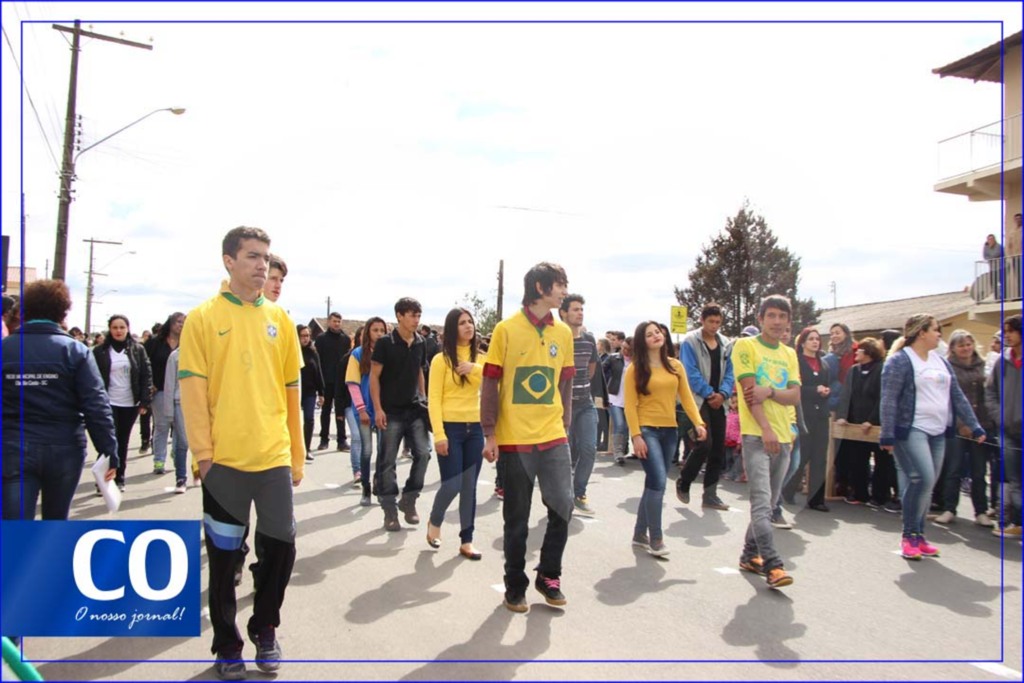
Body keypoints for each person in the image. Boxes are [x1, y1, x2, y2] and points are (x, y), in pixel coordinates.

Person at [179, 226, 304, 679]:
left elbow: (293, 390)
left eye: (266, 258)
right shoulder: (203, 318)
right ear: (229, 261)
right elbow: (192, 393)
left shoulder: (280, 319)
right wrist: (204, 456)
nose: (261, 265)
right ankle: (227, 645)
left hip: (273, 459)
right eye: (252, 256)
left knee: (282, 550)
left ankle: (264, 628)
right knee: (224, 559)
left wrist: (296, 454)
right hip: (225, 464)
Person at [481, 262, 575, 614]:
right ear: (540, 287)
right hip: (515, 439)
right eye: (560, 284)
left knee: (563, 505)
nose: (564, 291)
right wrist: (489, 432)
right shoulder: (506, 330)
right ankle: (514, 585)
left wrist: (565, 426)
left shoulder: (563, 333)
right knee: (517, 518)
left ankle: (549, 575)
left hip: (553, 436)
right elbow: (490, 382)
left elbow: (565, 384)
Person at [2, 280, 118, 520]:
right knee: (56, 522)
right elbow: (96, 405)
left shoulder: (5, 349)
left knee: (15, 526)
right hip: (65, 446)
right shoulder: (76, 351)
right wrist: (108, 450)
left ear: (24, 311)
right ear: (63, 312)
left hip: (13, 445)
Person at [879, 314, 985, 561]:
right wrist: (887, 434)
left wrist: (975, 426)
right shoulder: (900, 361)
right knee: (922, 478)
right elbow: (889, 399)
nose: (939, 335)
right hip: (911, 430)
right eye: (936, 330)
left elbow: (957, 396)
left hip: (938, 431)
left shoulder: (941, 362)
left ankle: (919, 536)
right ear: (921, 332)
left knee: (927, 485)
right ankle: (908, 537)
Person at [732, 295, 801, 589]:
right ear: (760, 319)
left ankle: (750, 555)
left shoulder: (789, 354)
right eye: (771, 315)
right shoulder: (746, 346)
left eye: (782, 317)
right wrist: (765, 429)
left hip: (784, 437)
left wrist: (770, 391)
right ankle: (773, 565)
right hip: (757, 436)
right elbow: (750, 394)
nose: (776, 322)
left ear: (788, 322)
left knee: (770, 503)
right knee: (761, 502)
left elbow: (794, 396)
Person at [625, 320, 706, 556]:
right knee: (659, 481)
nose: (656, 336)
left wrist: (698, 422)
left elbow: (687, 397)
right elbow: (630, 405)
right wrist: (636, 436)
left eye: (657, 332)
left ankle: (639, 534)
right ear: (643, 342)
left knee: (653, 482)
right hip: (646, 430)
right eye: (649, 335)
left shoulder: (675, 366)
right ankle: (656, 538)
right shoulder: (635, 369)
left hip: (670, 431)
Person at [426, 307, 485, 560]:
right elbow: (434, 400)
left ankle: (467, 540)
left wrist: (474, 368)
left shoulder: (481, 359)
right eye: (462, 323)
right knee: (452, 484)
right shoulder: (440, 360)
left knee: (469, 486)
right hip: (451, 429)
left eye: (470, 321)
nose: (468, 326)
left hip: (476, 428)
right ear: (453, 328)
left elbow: (495, 385)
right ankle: (435, 520)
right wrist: (439, 434)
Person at [370, 297, 431, 532]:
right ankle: (389, 511)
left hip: (414, 410)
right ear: (399, 316)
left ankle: (409, 499)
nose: (416, 320)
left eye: (418, 315)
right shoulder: (385, 343)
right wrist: (378, 409)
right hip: (390, 411)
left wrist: (423, 398)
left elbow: (419, 371)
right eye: (412, 315)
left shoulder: (421, 342)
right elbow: (374, 377)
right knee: (387, 461)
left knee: (424, 454)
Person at [935, 329, 998, 527]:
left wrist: (982, 424)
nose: (966, 348)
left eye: (969, 344)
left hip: (982, 425)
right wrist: (962, 424)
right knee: (953, 470)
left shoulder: (985, 365)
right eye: (961, 345)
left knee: (979, 472)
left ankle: (981, 511)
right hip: (956, 427)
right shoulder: (946, 367)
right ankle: (949, 508)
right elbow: (947, 399)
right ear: (953, 348)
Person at [677, 302, 735, 511]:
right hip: (699, 400)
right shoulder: (690, 341)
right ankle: (685, 480)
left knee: (718, 448)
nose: (714, 326)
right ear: (702, 320)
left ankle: (710, 494)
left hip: (720, 401)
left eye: (718, 322)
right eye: (711, 321)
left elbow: (730, 372)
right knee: (704, 443)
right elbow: (690, 372)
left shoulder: (726, 343)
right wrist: (709, 393)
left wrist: (723, 394)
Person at [93, 314, 153, 492]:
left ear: (127, 329)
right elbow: (93, 377)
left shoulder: (137, 349)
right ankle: (103, 480)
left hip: (129, 403)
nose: (118, 331)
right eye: (115, 327)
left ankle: (120, 477)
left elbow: (146, 375)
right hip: (107, 402)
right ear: (109, 329)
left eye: (122, 327)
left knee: (122, 440)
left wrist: (145, 402)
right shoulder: (100, 351)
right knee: (108, 441)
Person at [558, 293, 601, 517]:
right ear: (563, 313)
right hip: (561, 407)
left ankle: (579, 492)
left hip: (585, 403)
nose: (580, 313)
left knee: (589, 448)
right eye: (575, 309)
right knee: (563, 454)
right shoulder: (557, 339)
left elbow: (591, 370)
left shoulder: (589, 340)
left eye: (582, 309)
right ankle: (562, 495)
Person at [835, 338, 888, 508]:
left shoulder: (882, 370)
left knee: (881, 461)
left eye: (860, 349)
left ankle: (879, 496)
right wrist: (842, 416)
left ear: (869, 352)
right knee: (857, 459)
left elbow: (882, 398)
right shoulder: (853, 371)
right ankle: (860, 493)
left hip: (876, 423)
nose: (856, 352)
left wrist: (872, 420)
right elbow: (846, 395)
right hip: (855, 423)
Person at [987, 314, 1022, 538]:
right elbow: (990, 391)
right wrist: (1000, 417)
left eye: (1011, 331)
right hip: (1008, 430)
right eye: (1005, 331)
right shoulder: (1002, 361)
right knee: (1015, 480)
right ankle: (1019, 523)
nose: (1006, 336)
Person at [347, 317, 387, 507]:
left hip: (383, 409)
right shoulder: (357, 354)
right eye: (375, 330)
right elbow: (352, 384)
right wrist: (362, 410)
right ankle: (365, 488)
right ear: (368, 333)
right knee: (367, 450)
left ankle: (379, 482)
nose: (379, 334)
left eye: (382, 330)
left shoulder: (387, 353)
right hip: (363, 410)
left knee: (383, 450)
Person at [793, 327, 832, 512]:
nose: (815, 342)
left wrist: (825, 391)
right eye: (811, 339)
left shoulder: (824, 364)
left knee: (820, 457)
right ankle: (788, 489)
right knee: (802, 455)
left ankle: (816, 499)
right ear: (802, 343)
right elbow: (795, 389)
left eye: (817, 339)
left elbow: (827, 385)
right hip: (804, 414)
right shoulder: (796, 362)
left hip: (821, 415)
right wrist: (814, 390)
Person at [144, 312, 185, 475]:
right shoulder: (155, 342)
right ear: (170, 323)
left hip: (180, 392)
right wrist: (150, 384)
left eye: (183, 322)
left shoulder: (187, 343)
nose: (181, 325)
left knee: (179, 429)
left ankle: (177, 456)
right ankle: (159, 460)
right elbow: (144, 364)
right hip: (160, 390)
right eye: (178, 322)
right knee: (162, 426)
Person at [315, 312, 352, 451]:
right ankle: (324, 439)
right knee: (325, 411)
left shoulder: (345, 339)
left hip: (341, 381)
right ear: (329, 322)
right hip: (326, 380)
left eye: (339, 321)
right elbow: (318, 361)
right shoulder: (321, 339)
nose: (337, 324)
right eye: (334, 321)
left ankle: (341, 440)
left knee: (340, 411)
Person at [160, 342, 190, 494]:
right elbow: (169, 384)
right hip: (180, 403)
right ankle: (181, 478)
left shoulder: (207, 350)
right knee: (183, 442)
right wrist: (169, 412)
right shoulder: (175, 356)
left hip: (203, 403)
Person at [297, 325, 325, 464]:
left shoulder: (313, 352)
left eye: (307, 336)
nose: (305, 339)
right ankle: (293, 449)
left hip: (309, 391)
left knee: (309, 419)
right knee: (293, 421)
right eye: (302, 336)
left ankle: (306, 449)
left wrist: (321, 392)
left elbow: (318, 372)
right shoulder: (293, 351)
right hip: (294, 390)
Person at [605, 337, 632, 464]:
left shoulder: (639, 361)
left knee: (626, 426)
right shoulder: (613, 358)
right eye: (623, 348)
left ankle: (623, 447)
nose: (624, 351)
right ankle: (618, 453)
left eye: (628, 349)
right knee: (619, 424)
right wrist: (603, 389)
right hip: (614, 397)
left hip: (630, 399)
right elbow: (601, 371)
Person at [983, 234, 1003, 300]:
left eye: (991, 239)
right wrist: (990, 258)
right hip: (992, 268)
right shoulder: (986, 247)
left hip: (1000, 267)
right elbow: (985, 256)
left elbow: (997, 254)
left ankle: (1003, 296)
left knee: (1002, 282)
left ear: (994, 240)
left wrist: (991, 258)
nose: (990, 241)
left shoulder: (998, 246)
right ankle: (996, 297)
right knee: (993, 283)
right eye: (989, 239)